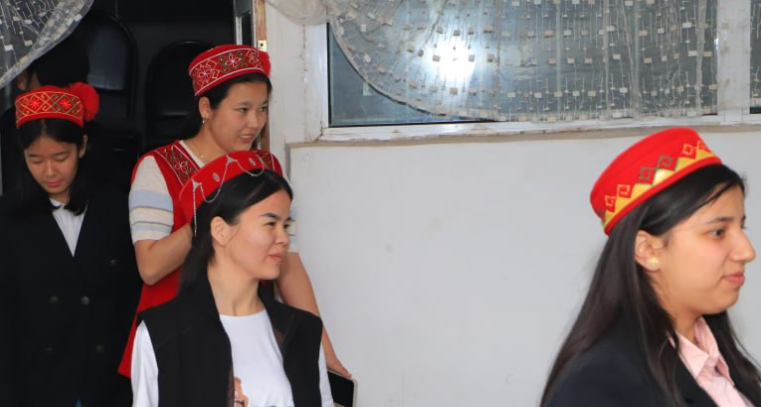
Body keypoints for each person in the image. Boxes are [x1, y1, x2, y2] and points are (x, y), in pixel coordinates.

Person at [120, 43, 349, 378]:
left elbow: (289, 264)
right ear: (206, 108)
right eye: (242, 110)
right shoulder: (159, 167)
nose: (254, 122)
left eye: (262, 109)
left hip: (249, 341)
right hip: (177, 344)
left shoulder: (267, 169)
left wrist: (322, 349)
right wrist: (213, 211)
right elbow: (150, 267)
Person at [541, 127, 761, 407]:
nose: (747, 251)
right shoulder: (598, 386)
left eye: (741, 227)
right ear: (647, 250)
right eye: (718, 232)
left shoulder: (719, 359)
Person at [131, 150, 333, 407]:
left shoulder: (303, 331)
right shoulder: (162, 334)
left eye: (286, 225)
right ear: (220, 230)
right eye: (270, 224)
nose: (283, 238)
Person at [0, 84, 140, 406]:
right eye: (35, 160)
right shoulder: (7, 218)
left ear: (82, 146)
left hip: (109, 384)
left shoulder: (118, 209)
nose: (50, 171)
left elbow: (130, 302)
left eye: (60, 157)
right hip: (39, 385)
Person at [1, 36, 90, 193]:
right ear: (22, 78)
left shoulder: (92, 134)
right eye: (48, 89)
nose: (57, 99)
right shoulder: (7, 131)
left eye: (67, 89)